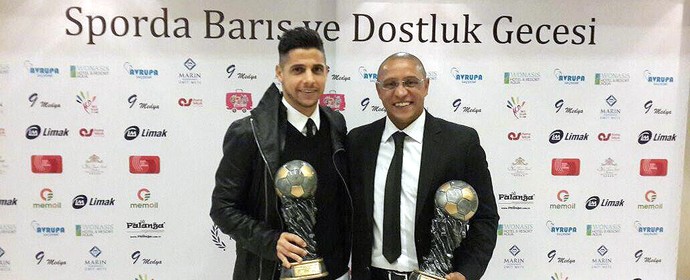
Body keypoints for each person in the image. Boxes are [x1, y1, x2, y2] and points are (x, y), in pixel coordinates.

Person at [210, 27, 352, 280]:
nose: (309, 80)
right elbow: (223, 207)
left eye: (317, 69)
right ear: (279, 73)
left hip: (335, 272)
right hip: (273, 273)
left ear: (326, 72)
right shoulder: (248, 132)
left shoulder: (336, 124)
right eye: (298, 70)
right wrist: (270, 241)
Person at [348, 52, 499, 280]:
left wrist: (467, 272)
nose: (400, 92)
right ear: (378, 91)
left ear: (426, 86)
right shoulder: (358, 142)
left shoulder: (461, 143)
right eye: (390, 84)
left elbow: (485, 218)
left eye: (410, 82)